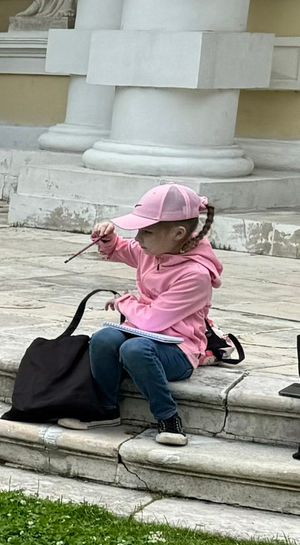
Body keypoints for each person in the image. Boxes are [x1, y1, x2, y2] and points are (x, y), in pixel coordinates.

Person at [59, 183, 223, 448]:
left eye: (146, 231)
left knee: (135, 349)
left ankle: (169, 418)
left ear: (178, 233)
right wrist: (107, 239)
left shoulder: (196, 275)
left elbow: (152, 320)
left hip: (179, 350)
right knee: (103, 339)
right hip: (143, 336)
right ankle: (105, 409)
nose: (138, 238)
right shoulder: (157, 249)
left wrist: (125, 301)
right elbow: (122, 249)